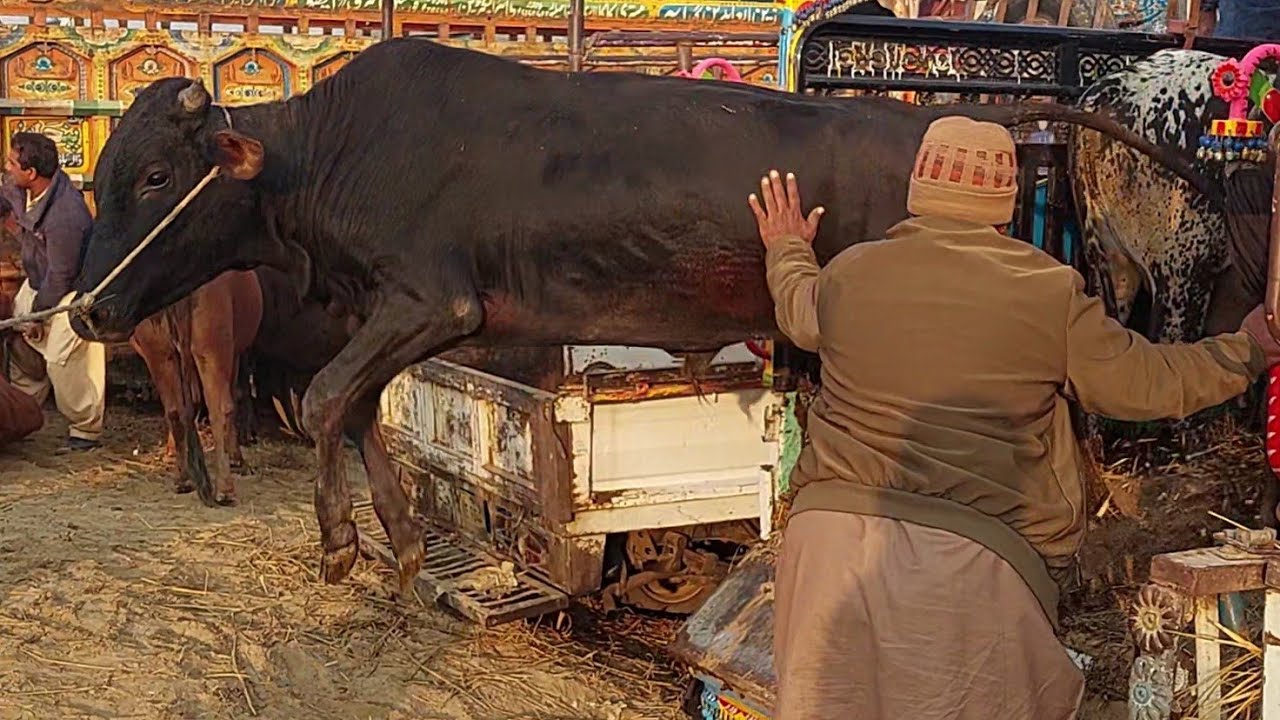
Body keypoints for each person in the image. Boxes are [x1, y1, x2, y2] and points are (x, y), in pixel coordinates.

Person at [750, 116, 1280, 720]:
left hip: (827, 549)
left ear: (917, 187)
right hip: (972, 566)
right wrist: (1245, 351)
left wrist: (787, 245)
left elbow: (797, 308)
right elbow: (1143, 384)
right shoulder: (1048, 291)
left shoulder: (848, 272)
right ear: (1007, 202)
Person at [3, 132, 104, 451]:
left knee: (64, 359)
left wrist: (39, 316)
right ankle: (21, 414)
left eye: (11, 163)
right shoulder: (19, 189)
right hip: (37, 282)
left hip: (69, 295)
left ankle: (85, 429)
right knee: (21, 346)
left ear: (30, 173)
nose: (6, 168)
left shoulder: (66, 215)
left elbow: (62, 276)